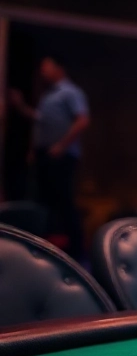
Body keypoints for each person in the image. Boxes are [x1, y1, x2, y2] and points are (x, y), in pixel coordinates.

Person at [12, 56, 90, 255]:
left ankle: (77, 252)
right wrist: (20, 106)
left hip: (61, 156)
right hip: (44, 155)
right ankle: (40, 251)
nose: (43, 72)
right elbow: (41, 121)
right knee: (42, 203)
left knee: (64, 202)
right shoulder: (48, 95)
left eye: (47, 68)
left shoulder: (71, 92)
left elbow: (82, 120)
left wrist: (61, 146)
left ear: (59, 68)